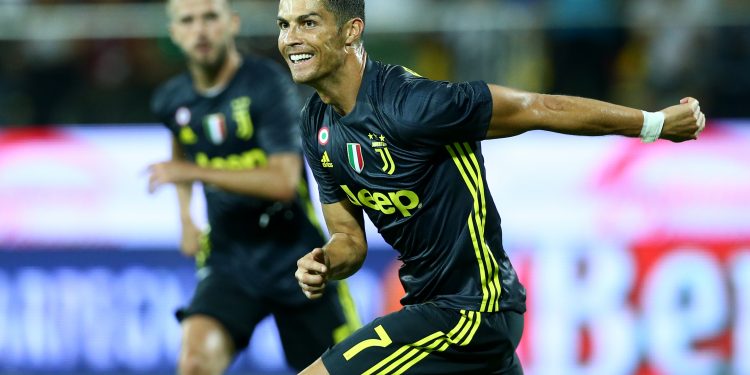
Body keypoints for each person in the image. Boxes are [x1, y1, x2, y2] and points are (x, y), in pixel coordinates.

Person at [276, 0, 706, 374]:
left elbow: (538, 107)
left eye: (308, 23)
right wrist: (326, 262)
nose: (291, 37)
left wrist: (655, 124)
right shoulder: (315, 125)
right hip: (442, 309)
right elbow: (350, 239)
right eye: (283, 24)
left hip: (470, 311)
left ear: (351, 31)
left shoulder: (413, 104)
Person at [147, 0, 360, 374]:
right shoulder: (171, 99)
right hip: (230, 257)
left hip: (296, 255)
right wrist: (185, 217)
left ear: (232, 24)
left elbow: (281, 181)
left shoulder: (267, 84)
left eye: (210, 17)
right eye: (188, 21)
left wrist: (194, 171)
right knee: (195, 363)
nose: (200, 30)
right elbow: (181, 145)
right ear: (174, 33)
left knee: (339, 370)